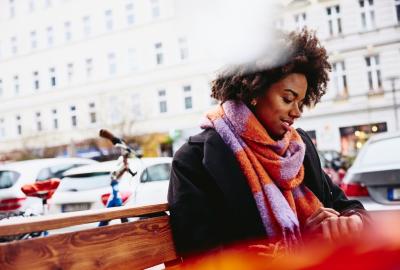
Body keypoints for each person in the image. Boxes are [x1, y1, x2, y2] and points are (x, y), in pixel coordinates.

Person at [167, 29, 368, 259]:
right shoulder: (194, 159)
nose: (296, 112)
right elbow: (201, 254)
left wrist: (352, 222)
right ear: (255, 90)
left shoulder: (298, 148)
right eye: (288, 99)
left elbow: (347, 205)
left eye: (301, 102)